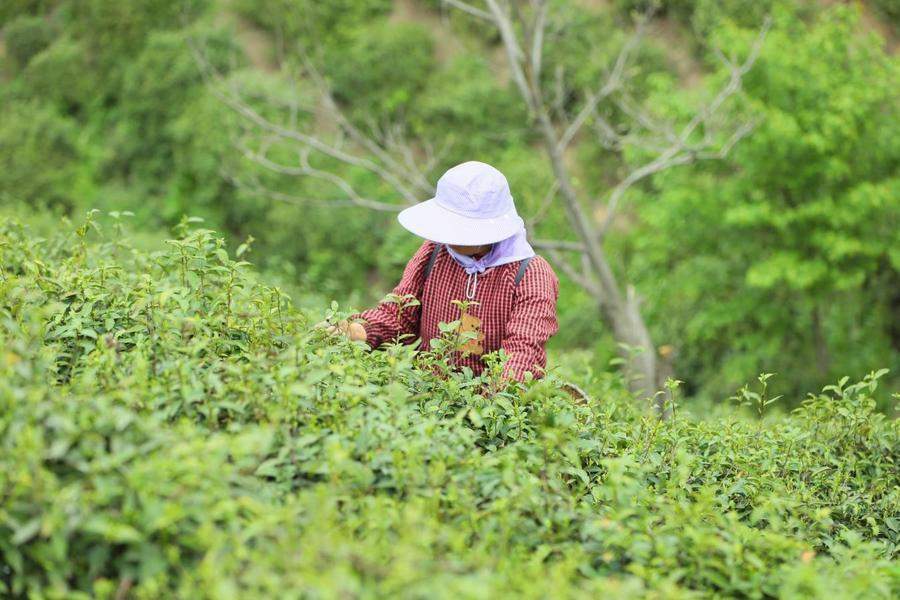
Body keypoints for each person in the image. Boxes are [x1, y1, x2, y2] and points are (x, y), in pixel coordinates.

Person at [335, 160, 559, 380]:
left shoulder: (531, 274)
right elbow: (399, 315)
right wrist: (355, 331)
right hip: (429, 400)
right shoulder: (435, 252)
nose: (449, 236)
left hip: (490, 407)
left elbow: (522, 358)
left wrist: (480, 408)